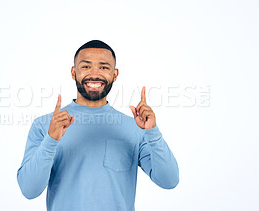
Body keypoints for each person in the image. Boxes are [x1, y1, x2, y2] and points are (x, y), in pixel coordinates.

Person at [17, 40, 179, 211]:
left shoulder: (135, 128)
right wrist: (51, 140)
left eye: (104, 67)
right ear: (74, 72)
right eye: (86, 66)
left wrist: (152, 132)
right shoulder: (45, 126)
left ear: (115, 74)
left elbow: (169, 180)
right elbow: (29, 190)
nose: (94, 74)